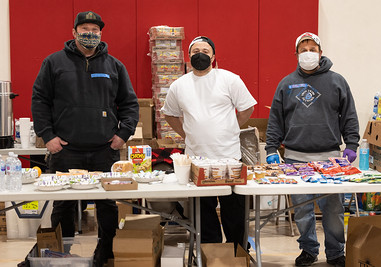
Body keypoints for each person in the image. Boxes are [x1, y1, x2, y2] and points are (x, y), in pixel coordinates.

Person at [31, 11, 139, 267]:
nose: (89, 34)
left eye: (94, 29)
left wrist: (123, 135)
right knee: (63, 208)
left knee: (107, 207)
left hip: (105, 150)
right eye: (84, 29)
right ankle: (61, 258)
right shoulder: (54, 63)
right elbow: (40, 100)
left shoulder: (114, 66)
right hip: (66, 151)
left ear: (101, 34)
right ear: (74, 32)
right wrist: (48, 136)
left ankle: (107, 256)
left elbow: (130, 104)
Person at [265, 32, 360, 267]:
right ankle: (308, 249)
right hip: (296, 158)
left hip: (330, 159)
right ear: (296, 54)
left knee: (334, 211)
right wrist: (271, 147)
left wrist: (351, 144)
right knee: (302, 211)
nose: (308, 53)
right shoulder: (286, 84)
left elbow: (349, 115)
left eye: (312, 49)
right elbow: (275, 119)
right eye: (303, 49)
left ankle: (336, 252)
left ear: (320, 51)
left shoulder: (337, 81)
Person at [161, 36, 257, 250]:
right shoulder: (179, 85)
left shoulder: (229, 79)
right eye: (195, 51)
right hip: (196, 159)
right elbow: (169, 114)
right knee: (202, 211)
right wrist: (186, 134)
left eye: (205, 50)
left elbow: (247, 108)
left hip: (230, 157)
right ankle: (210, 252)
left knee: (234, 209)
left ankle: (237, 253)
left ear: (213, 56)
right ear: (188, 56)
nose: (200, 54)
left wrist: (232, 126)